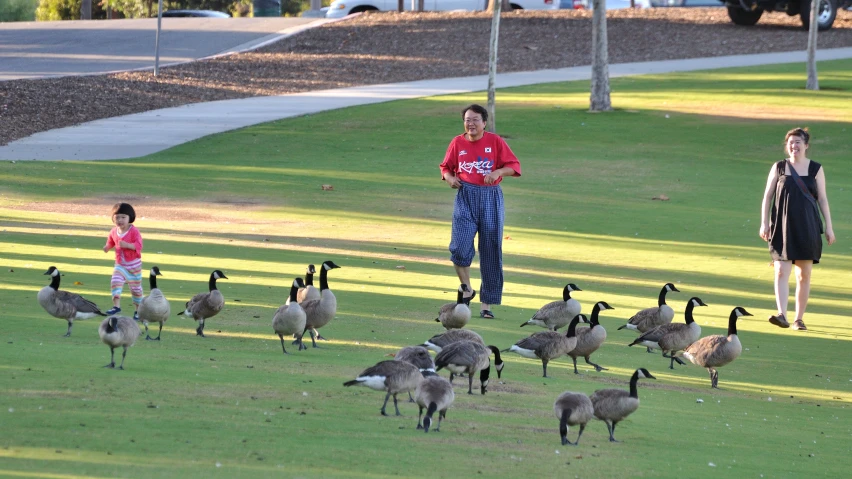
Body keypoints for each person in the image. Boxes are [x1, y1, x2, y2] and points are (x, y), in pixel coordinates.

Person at [439, 104, 521, 319]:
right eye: (467, 120)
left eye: (475, 120)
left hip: (490, 197)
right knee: (459, 247)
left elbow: (514, 166)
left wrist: (497, 172)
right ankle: (466, 287)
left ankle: (487, 305)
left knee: (491, 249)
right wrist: (449, 178)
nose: (471, 124)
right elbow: (446, 167)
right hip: (466, 196)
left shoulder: (495, 141)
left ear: (484, 122)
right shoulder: (457, 142)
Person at [759, 128, 835, 331]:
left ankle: (798, 319)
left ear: (806, 145)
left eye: (798, 142)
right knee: (781, 271)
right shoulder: (779, 167)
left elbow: (823, 199)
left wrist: (829, 227)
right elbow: (767, 196)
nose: (794, 146)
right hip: (782, 227)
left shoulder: (816, 169)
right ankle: (781, 314)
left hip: (808, 227)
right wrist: (764, 222)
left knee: (804, 274)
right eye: (791, 142)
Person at [103, 203, 144, 320]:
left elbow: (139, 245)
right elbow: (111, 241)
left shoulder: (134, 231)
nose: (120, 220)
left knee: (136, 289)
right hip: (120, 264)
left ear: (129, 218)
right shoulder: (113, 231)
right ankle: (116, 306)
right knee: (115, 281)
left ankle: (137, 311)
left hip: (134, 266)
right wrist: (107, 247)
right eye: (117, 217)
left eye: (123, 217)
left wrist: (127, 245)